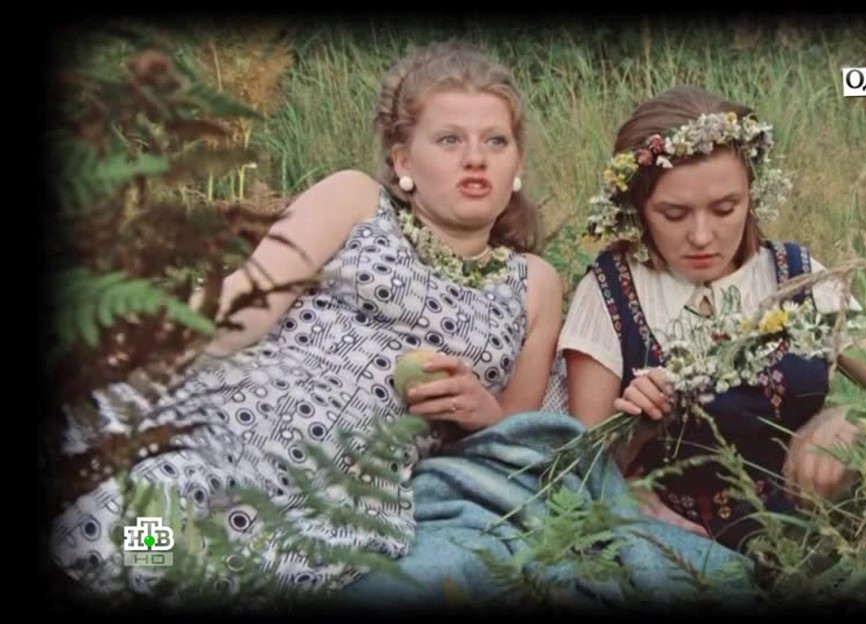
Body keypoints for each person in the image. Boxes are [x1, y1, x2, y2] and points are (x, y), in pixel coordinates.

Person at [48, 40, 565, 604]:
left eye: (495, 141)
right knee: (143, 527)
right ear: (402, 162)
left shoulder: (535, 284)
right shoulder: (356, 200)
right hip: (239, 420)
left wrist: (482, 412)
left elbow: (519, 435)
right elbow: (244, 303)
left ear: (517, 164)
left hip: (342, 490)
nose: (476, 158)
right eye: (449, 140)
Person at [558, 86, 866, 553]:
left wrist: (851, 418)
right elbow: (582, 473)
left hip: (812, 546)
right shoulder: (611, 291)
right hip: (678, 550)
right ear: (638, 208)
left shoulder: (796, 276)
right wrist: (636, 433)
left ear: (752, 196)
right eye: (674, 214)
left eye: (724, 209)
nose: (702, 236)